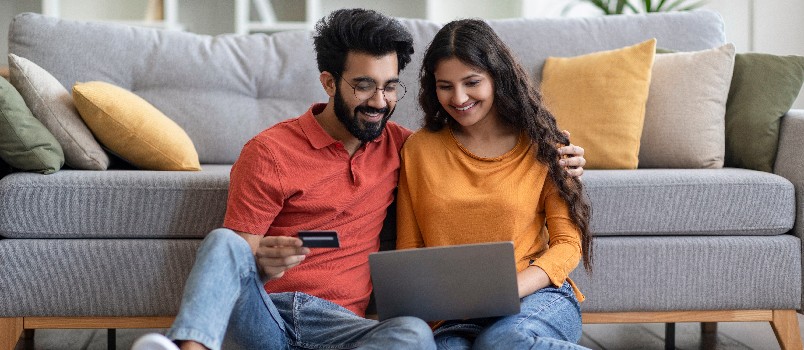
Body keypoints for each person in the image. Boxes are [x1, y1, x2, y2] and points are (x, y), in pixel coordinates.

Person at [133, 9, 586, 350]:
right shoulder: (270, 151)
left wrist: (562, 153)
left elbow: (461, 163)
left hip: (343, 327)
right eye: (364, 85)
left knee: (412, 335)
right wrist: (261, 255)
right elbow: (237, 258)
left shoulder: (400, 146)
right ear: (329, 84)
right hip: (268, 315)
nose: (380, 100)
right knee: (224, 242)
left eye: (390, 86)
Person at [395, 19, 592, 350]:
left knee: (502, 339)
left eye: (472, 82)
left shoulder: (544, 143)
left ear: (498, 78)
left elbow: (567, 245)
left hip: (537, 299)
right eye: (445, 86)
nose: (458, 98)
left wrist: (508, 288)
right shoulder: (419, 149)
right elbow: (410, 251)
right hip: (453, 315)